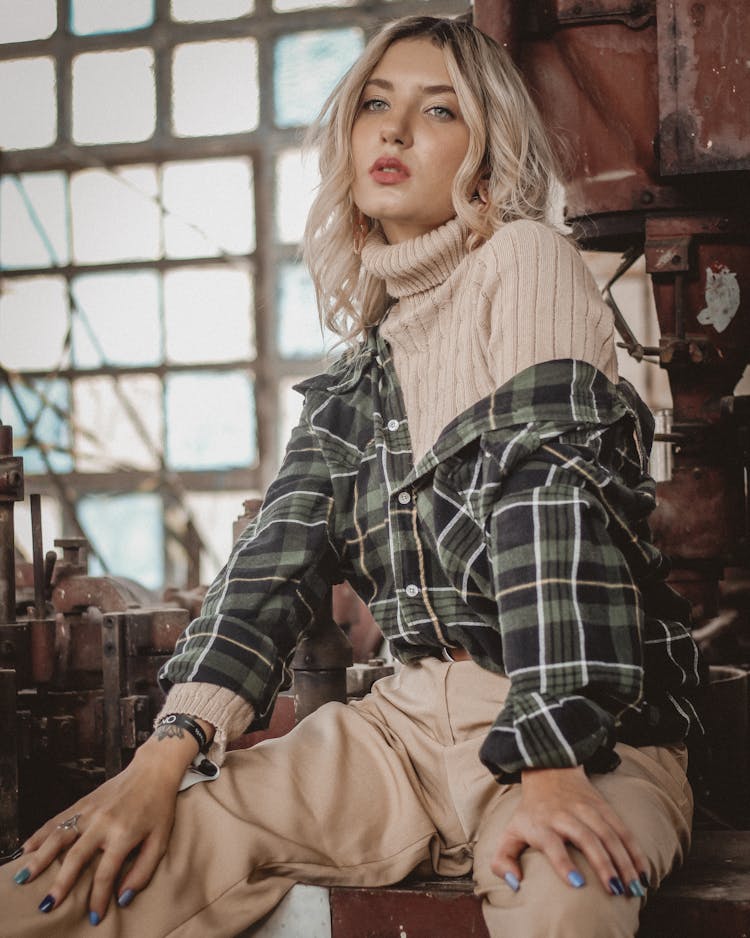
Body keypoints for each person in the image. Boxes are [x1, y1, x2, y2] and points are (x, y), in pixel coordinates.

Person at [2, 15, 702, 938]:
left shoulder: (525, 263)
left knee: (568, 893)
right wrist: (159, 763)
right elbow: (270, 568)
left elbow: (549, 497)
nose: (394, 129)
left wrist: (551, 761)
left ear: (484, 153)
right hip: (406, 729)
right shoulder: (356, 373)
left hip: (589, 736)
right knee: (80, 872)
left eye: (437, 109)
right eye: (376, 103)